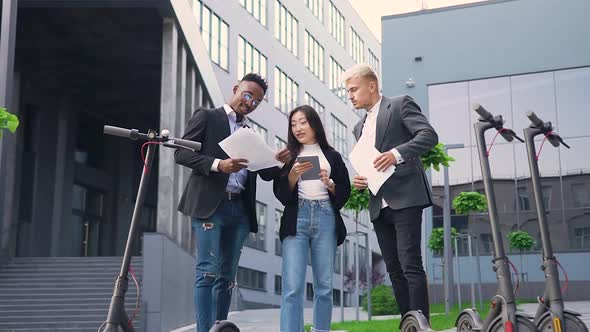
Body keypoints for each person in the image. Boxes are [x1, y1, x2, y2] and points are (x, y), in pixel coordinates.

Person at [175, 73, 291, 332]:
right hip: (210, 207)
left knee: (227, 276)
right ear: (236, 89)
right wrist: (219, 165)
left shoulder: (250, 133)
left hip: (239, 210)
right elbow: (181, 153)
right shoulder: (207, 116)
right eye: (248, 95)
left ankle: (220, 328)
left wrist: (279, 160)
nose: (250, 103)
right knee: (207, 270)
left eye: (257, 102)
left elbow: (266, 172)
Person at [343, 64, 438, 319]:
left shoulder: (399, 104)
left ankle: (421, 323)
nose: (350, 95)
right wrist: (361, 180)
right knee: (394, 269)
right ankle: (408, 322)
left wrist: (396, 155)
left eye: (354, 89)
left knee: (410, 264)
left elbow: (429, 135)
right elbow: (368, 160)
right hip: (378, 205)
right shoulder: (357, 126)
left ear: (371, 86)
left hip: (406, 197)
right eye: (348, 91)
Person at [274, 105, 351, 332]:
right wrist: (292, 175)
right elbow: (280, 194)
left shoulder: (332, 156)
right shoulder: (289, 155)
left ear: (314, 124)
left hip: (326, 216)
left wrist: (330, 185)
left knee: (324, 286)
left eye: (303, 122)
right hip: (297, 218)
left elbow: (344, 191)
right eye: (293, 124)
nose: (297, 128)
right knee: (292, 287)